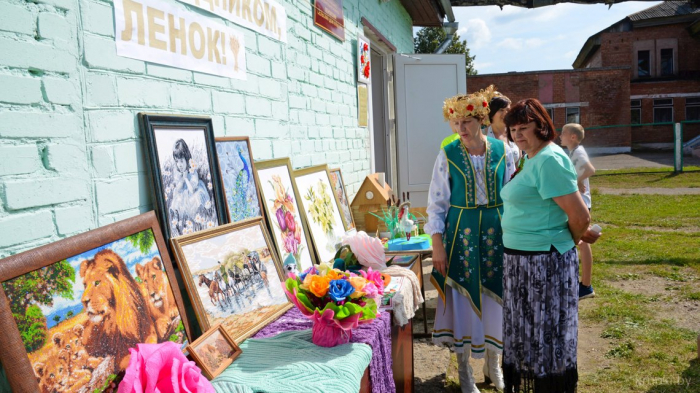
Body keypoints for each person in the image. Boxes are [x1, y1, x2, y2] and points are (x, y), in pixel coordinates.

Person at [500, 99, 601, 393]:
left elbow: (580, 216)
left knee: (544, 338)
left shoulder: (549, 159)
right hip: (523, 263)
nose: (518, 135)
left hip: (542, 266)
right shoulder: (532, 157)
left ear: (541, 126)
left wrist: (565, 243)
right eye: (513, 129)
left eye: (524, 128)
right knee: (529, 337)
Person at [425, 85, 516, 393]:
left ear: (481, 119)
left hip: (497, 234)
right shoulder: (448, 153)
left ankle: (493, 366)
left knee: (497, 300)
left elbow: (514, 196)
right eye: (455, 122)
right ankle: (464, 371)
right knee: (463, 301)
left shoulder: (504, 151)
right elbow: (437, 203)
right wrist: (437, 244)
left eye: (467, 121)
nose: (460, 128)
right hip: (460, 236)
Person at [560, 123, 597, 299]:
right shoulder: (573, 152)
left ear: (572, 137)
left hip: (581, 203)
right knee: (581, 243)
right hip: (579, 202)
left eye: (563, 133)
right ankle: (584, 284)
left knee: (582, 243)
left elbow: (590, 169)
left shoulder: (579, 151)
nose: (560, 136)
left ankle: (586, 285)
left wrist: (576, 181)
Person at [170, 139, 213, 227]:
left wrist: (186, 178)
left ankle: (197, 216)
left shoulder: (192, 171)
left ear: (187, 158)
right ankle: (176, 214)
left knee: (196, 197)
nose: (179, 165)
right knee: (177, 197)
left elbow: (192, 190)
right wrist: (182, 179)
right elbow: (177, 189)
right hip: (183, 194)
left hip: (192, 191)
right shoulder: (178, 172)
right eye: (177, 161)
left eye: (181, 161)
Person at [486, 93, 521, 164]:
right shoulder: (483, 134)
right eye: (501, 110)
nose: (505, 113)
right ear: (492, 113)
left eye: (507, 110)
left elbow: (519, 163)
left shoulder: (514, 132)